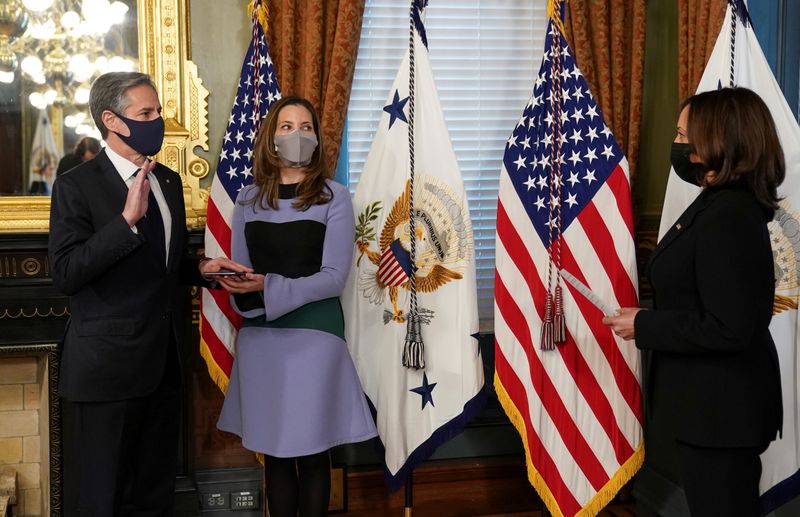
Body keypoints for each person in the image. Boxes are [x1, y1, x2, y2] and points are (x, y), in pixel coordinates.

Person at [49, 71, 250, 515]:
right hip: (107, 372)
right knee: (104, 498)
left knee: (155, 496)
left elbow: (162, 266)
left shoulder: (169, 181)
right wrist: (124, 222)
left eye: (157, 111)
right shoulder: (76, 185)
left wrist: (200, 268)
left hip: (164, 364)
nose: (157, 120)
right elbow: (65, 273)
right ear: (112, 120)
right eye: (146, 113)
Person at [603, 87, 784, 517]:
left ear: (719, 141)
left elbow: (730, 327)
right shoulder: (718, 204)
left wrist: (645, 325)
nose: (678, 145)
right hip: (708, 409)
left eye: (685, 136)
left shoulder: (730, 216)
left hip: (721, 413)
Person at [216, 96, 377, 517]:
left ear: (318, 138)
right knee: (276, 455)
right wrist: (237, 282)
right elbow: (239, 272)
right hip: (261, 336)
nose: (297, 135)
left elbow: (333, 278)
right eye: (286, 127)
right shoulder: (249, 199)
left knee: (311, 450)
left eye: (306, 126)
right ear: (271, 138)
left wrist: (268, 285)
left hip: (315, 337)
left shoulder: (334, 197)